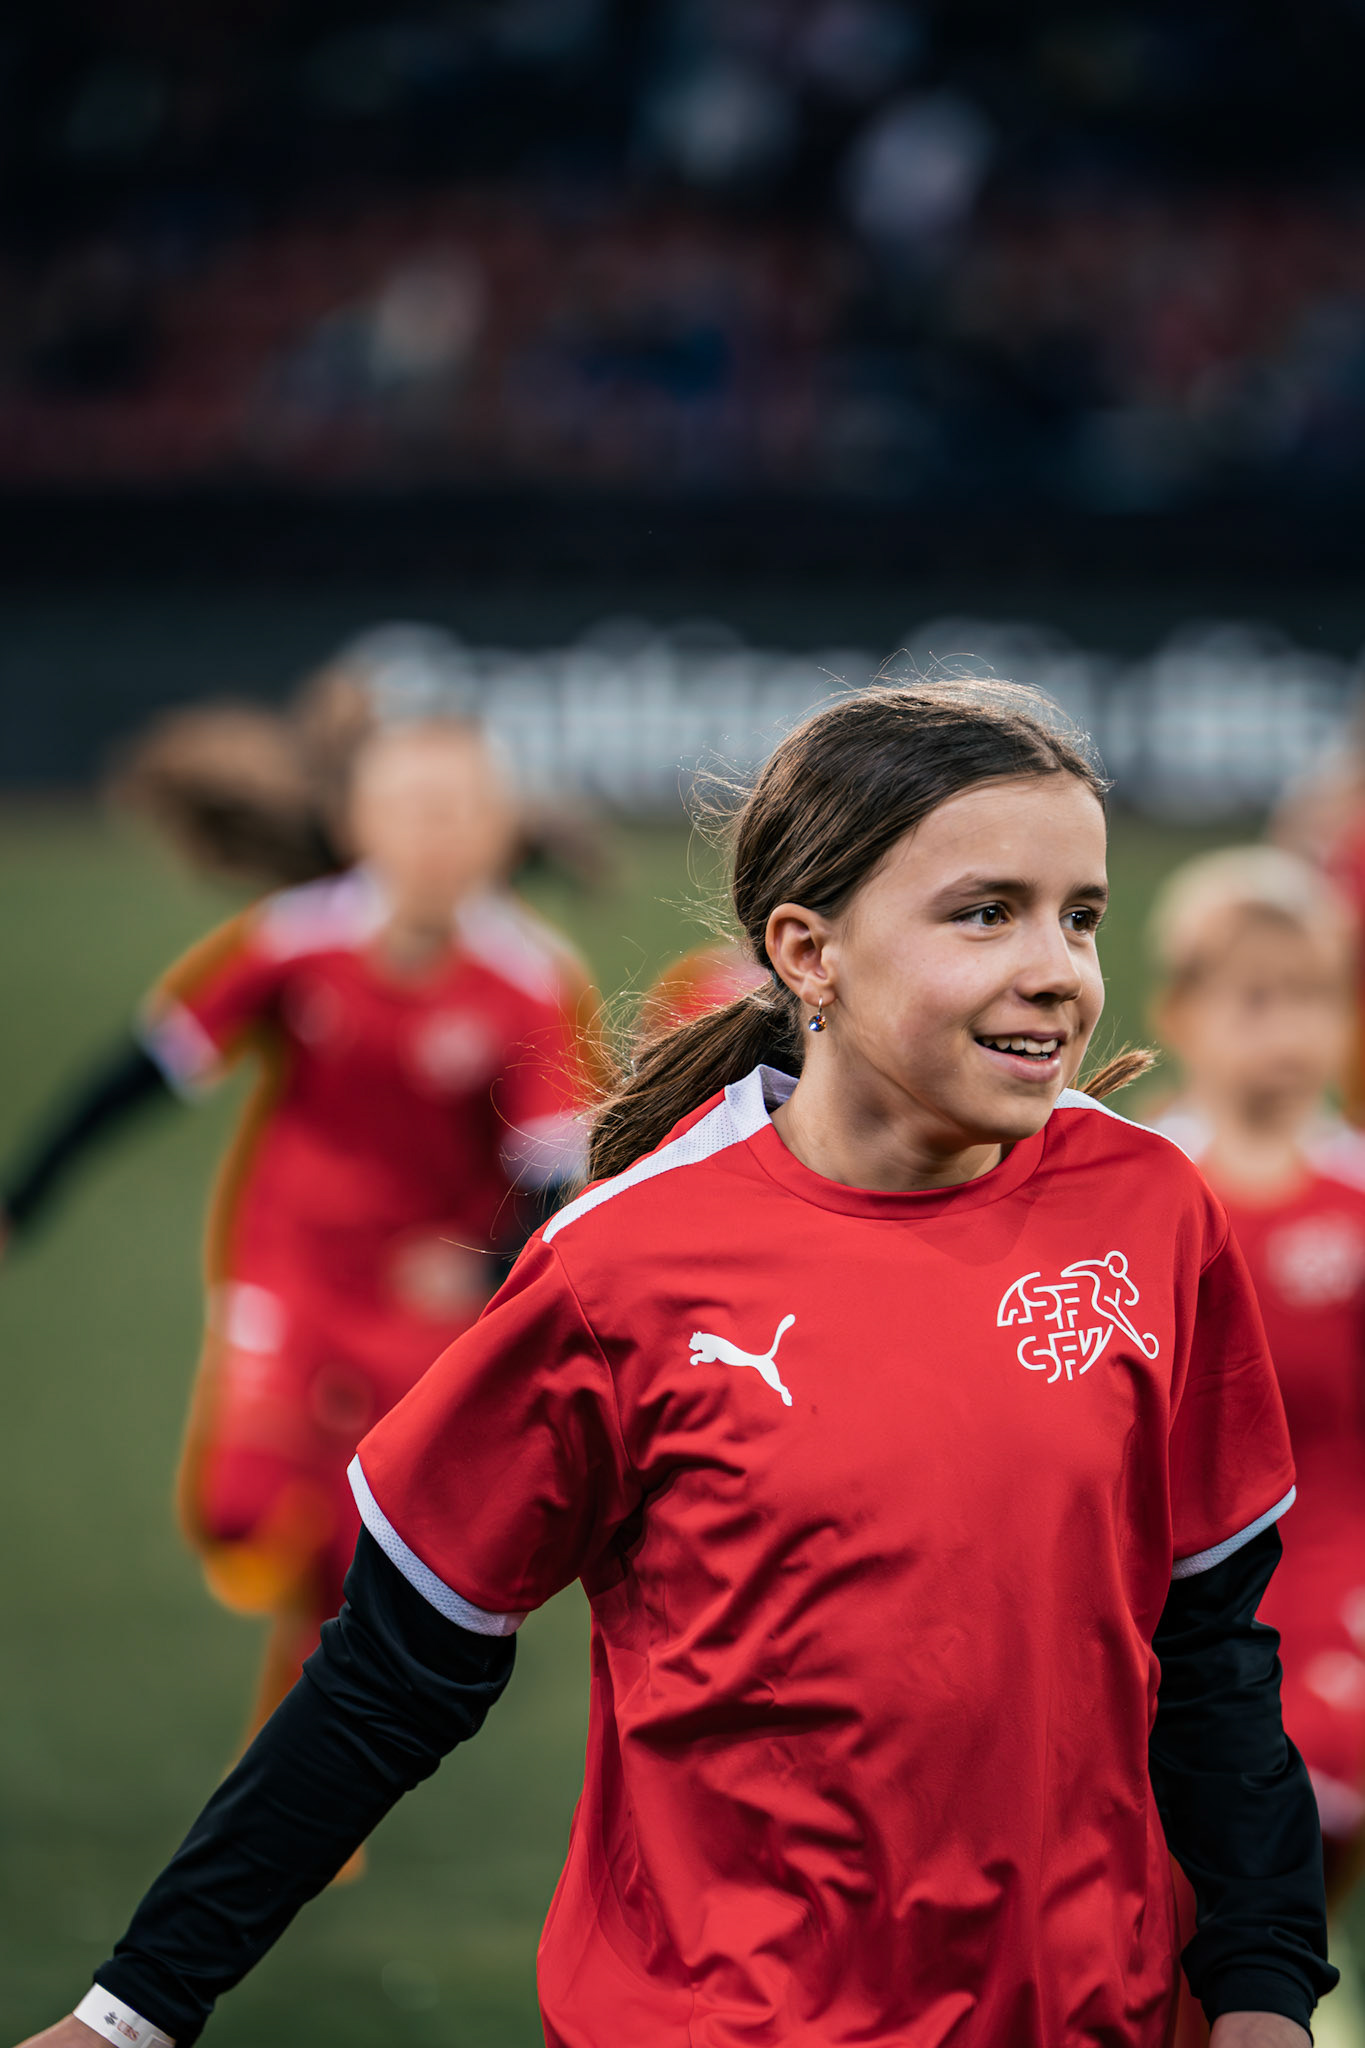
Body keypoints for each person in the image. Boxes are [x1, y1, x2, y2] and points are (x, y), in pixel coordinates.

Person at [18, 681, 1335, 2048]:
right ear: (806, 952)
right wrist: (132, 2015)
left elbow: (1209, 1650)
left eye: (1081, 914)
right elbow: (389, 1682)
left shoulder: (1152, 1211)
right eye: (983, 911)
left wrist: (1261, 1989)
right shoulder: (622, 1267)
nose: (1058, 966)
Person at [1, 705, 595, 1758]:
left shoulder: (533, 981)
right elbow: (139, 1070)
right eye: (415, 808)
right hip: (288, 1262)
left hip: (425, 1301)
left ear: (502, 833)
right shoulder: (293, 940)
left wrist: (480, 1269)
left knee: (365, 1541)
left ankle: (303, 1754)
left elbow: (563, 1186)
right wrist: (20, 1201)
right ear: (358, 823)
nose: (438, 834)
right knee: (239, 1510)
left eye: (463, 811)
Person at [1147, 846, 1365, 2045]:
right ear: (1181, 1010)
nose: (1288, 1028)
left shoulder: (1357, 1203)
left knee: (1288, 1805)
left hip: (1333, 1589)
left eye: (1317, 994)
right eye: (1254, 995)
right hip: (1170, 1592)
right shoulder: (1139, 1192)